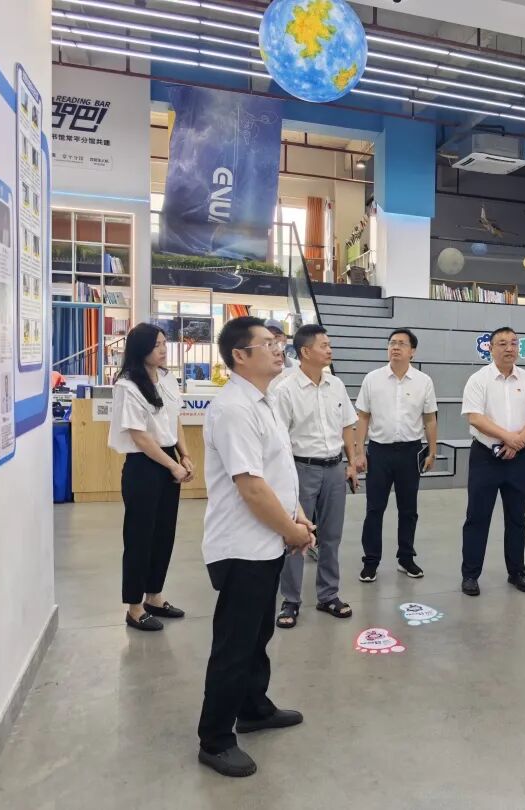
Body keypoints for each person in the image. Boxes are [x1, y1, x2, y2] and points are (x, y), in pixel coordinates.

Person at [196, 316, 315, 778]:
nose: (279, 348)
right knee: (235, 643)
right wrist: (293, 532)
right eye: (268, 343)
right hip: (241, 546)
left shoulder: (263, 402)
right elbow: (250, 487)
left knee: (257, 635)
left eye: (277, 341)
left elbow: (276, 473)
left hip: (265, 542)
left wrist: (296, 516)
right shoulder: (232, 409)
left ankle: (252, 708)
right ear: (240, 356)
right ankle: (215, 739)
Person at [271, 325, 359, 629]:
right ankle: (291, 600)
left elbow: (347, 425)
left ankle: (328, 595)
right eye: (324, 345)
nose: (329, 350)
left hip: (334, 469)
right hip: (301, 469)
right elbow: (280, 440)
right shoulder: (285, 390)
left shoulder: (336, 385)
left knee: (331, 536)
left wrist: (352, 462)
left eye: (329, 344)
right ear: (305, 352)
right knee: (297, 536)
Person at [107, 323, 193, 632]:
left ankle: (154, 596)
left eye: (164, 343)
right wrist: (172, 466)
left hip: (168, 457)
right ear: (141, 348)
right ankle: (134, 607)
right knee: (139, 537)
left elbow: (174, 419)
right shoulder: (127, 385)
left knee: (163, 534)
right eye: (157, 344)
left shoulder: (167, 378)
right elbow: (139, 436)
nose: (163, 349)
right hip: (143, 465)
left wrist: (184, 455)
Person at [459, 327, 525, 596]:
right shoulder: (478, 380)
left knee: (517, 518)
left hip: (517, 459)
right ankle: (470, 575)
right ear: (491, 348)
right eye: (502, 343)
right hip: (485, 458)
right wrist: (508, 437)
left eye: (514, 343)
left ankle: (517, 571)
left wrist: (517, 442)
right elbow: (475, 417)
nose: (509, 348)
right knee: (477, 517)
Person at [354, 328, 438, 582]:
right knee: (374, 509)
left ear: (413, 351)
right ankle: (371, 561)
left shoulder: (423, 381)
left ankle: (406, 558)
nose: (396, 347)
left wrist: (432, 450)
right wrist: (359, 452)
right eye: (392, 343)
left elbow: (429, 419)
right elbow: (363, 417)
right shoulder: (372, 379)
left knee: (408, 509)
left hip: (410, 452)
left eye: (402, 343)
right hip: (379, 452)